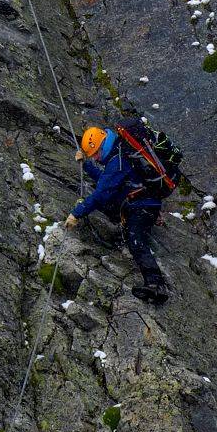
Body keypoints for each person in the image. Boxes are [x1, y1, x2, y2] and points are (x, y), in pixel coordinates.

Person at [64, 121, 177, 304]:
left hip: (142, 205)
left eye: (95, 154)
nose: (96, 159)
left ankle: (156, 285)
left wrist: (77, 213)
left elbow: (102, 192)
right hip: (142, 202)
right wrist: (86, 165)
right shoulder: (119, 155)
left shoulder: (118, 160)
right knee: (125, 226)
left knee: (136, 239)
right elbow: (106, 180)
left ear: (102, 146)